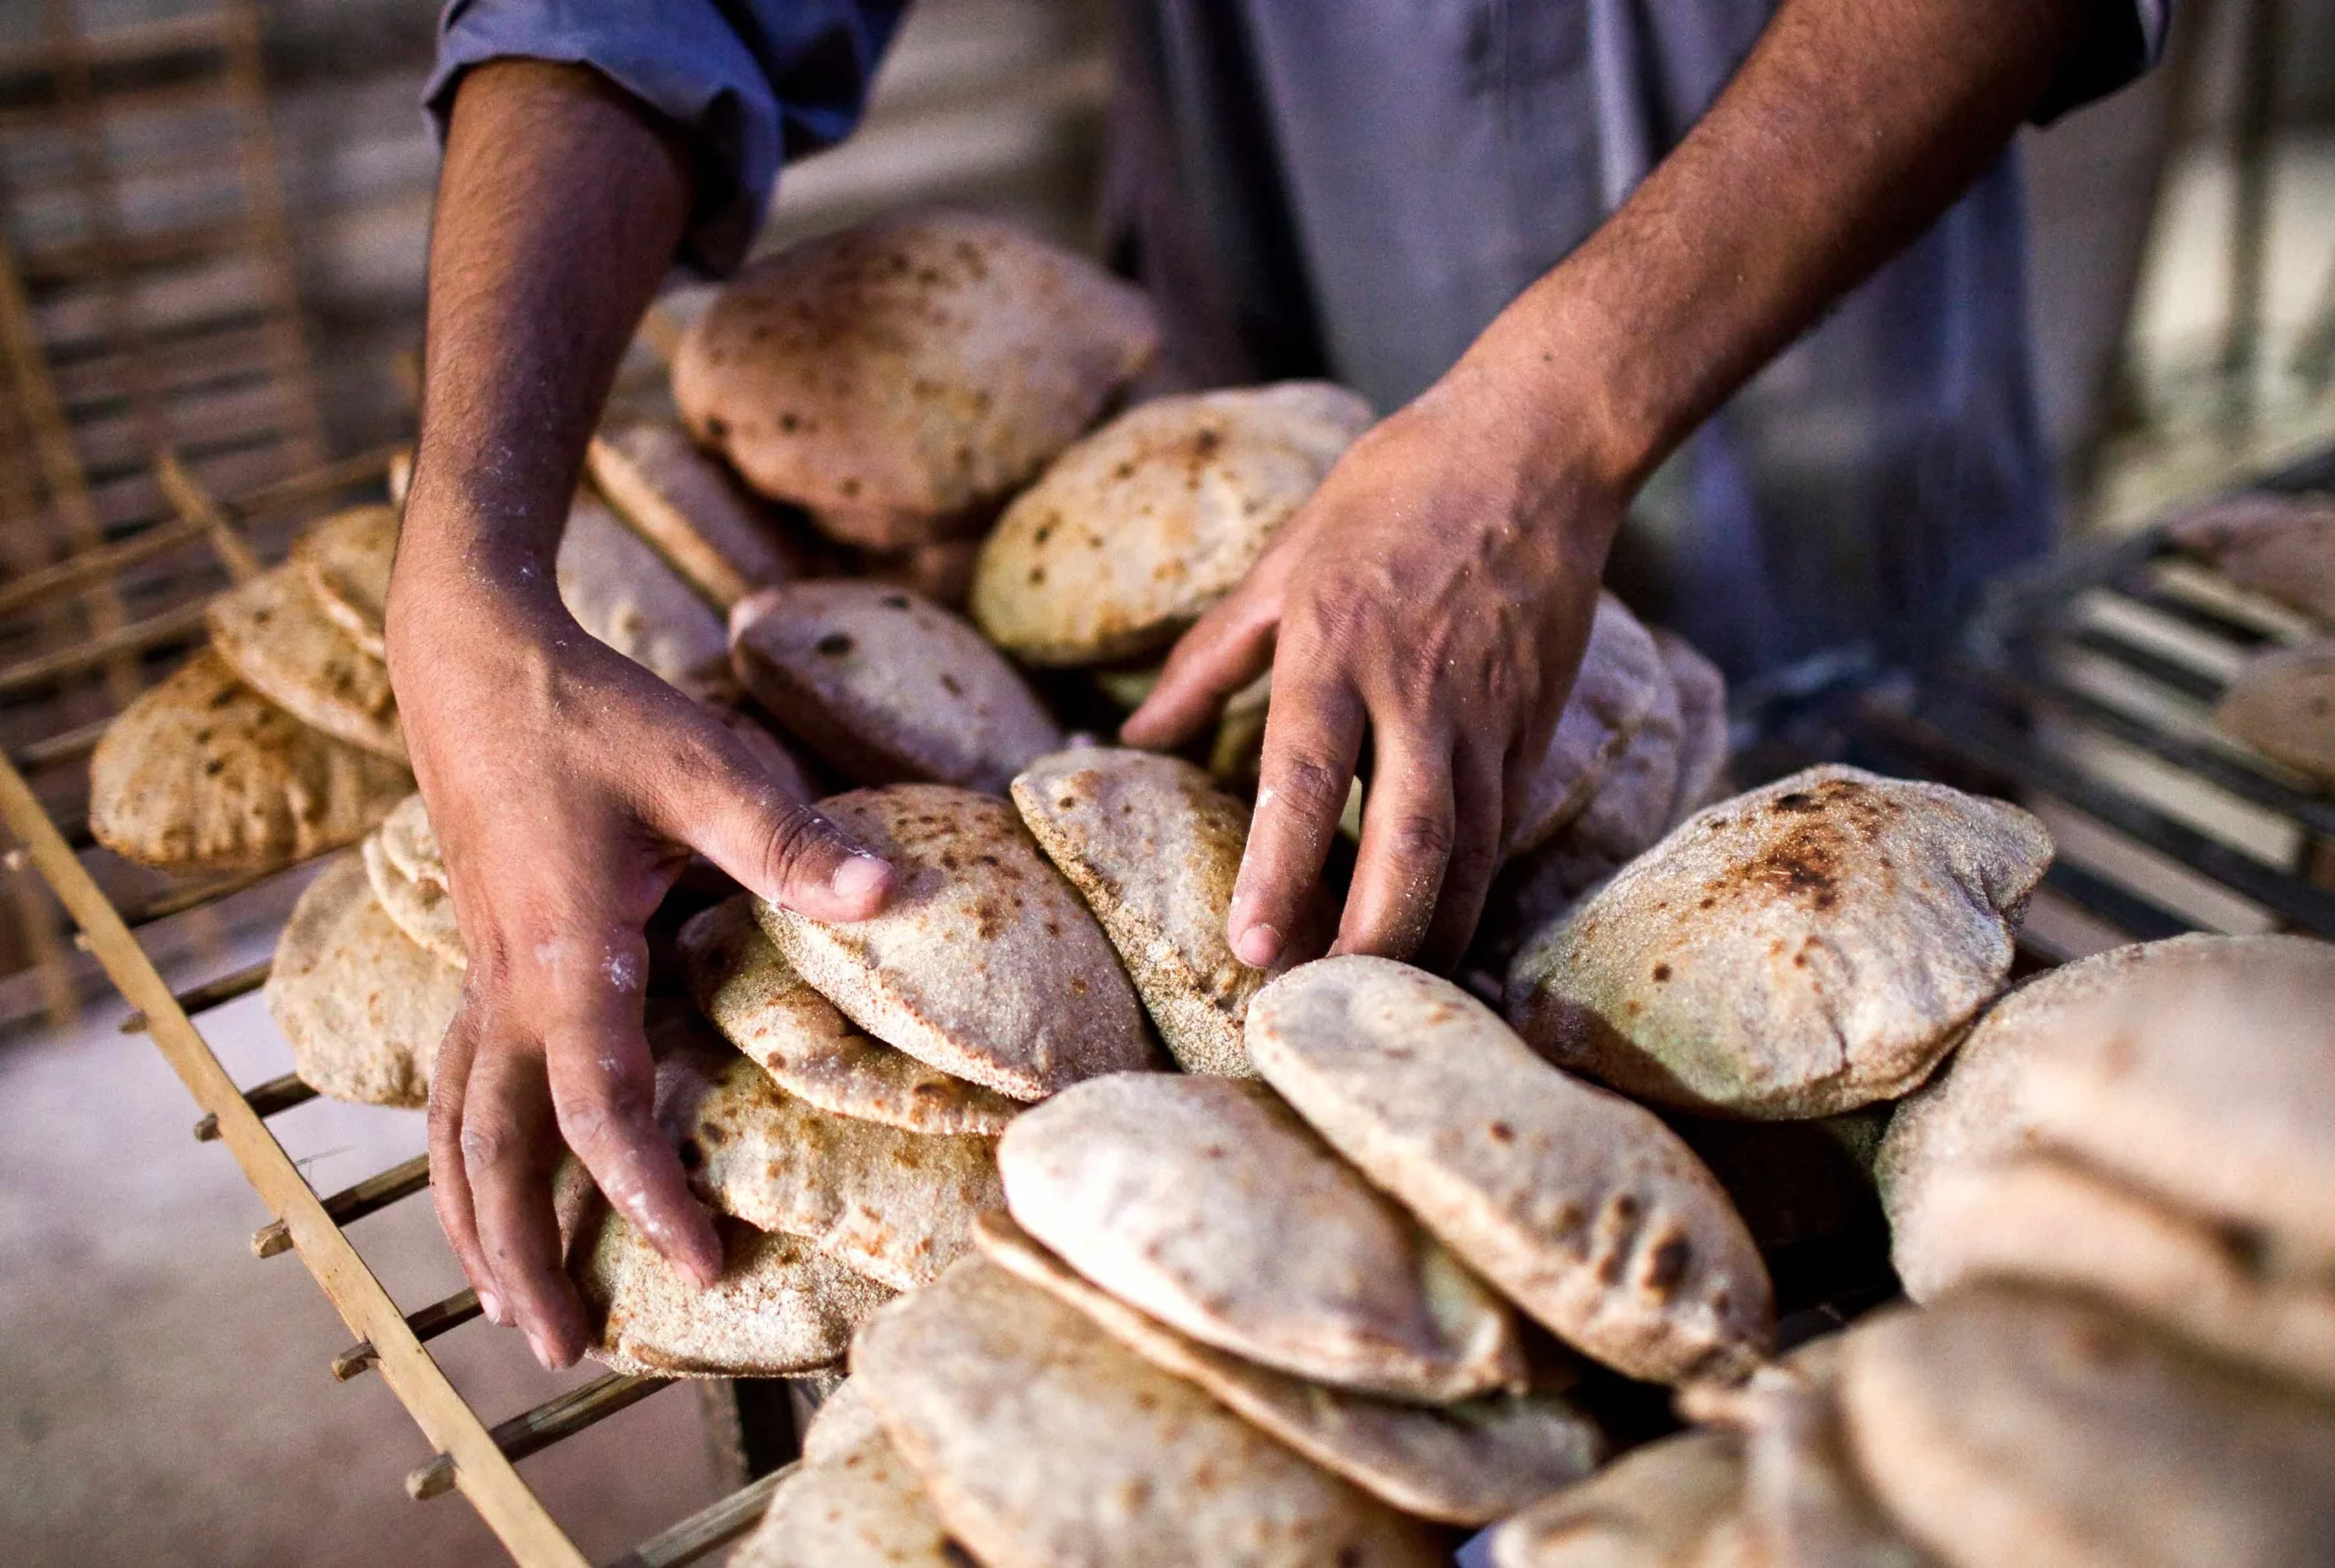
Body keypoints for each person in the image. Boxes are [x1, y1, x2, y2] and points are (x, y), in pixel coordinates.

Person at [397, 0, 2167, 1368]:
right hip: (1250, 375)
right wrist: (462, 573)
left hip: (1798, 356)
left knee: (1873, 1124)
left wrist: (1551, 427)